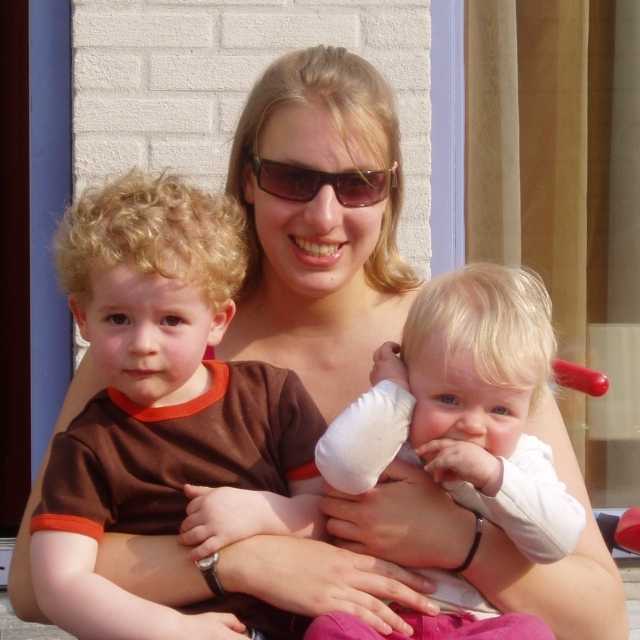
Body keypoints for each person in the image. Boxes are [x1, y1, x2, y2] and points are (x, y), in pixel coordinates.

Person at [8, 45, 628, 640]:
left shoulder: (459, 341)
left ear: (390, 193)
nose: (324, 215)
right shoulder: (165, 341)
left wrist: (460, 543)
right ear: (248, 179)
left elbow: (600, 621)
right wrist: (243, 561)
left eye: (358, 184)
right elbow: (36, 583)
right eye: (292, 178)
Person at [29, 169, 330, 640]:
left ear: (217, 320)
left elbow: (331, 514)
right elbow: (59, 582)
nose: (142, 344)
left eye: (171, 320)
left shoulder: (272, 398)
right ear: (83, 318)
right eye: (118, 319)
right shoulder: (88, 445)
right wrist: (175, 630)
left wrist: (266, 513)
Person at [309, 263, 587, 638]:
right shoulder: (392, 436)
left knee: (530, 632)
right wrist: (392, 393)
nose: (473, 425)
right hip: (383, 620)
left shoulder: (521, 460)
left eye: (500, 410)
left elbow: (558, 541)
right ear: (412, 382)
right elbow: (341, 468)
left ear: (529, 410)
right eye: (449, 399)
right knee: (330, 628)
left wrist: (494, 477)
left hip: (475, 626)